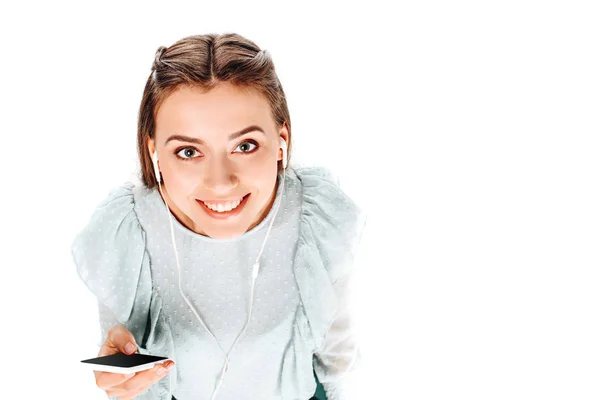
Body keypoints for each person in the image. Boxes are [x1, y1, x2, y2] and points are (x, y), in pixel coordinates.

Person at [71, 32, 367, 400]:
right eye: (188, 152)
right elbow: (125, 370)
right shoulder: (128, 234)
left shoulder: (316, 220)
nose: (221, 183)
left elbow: (338, 361)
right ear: (154, 152)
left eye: (245, 146)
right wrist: (119, 378)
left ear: (280, 141)